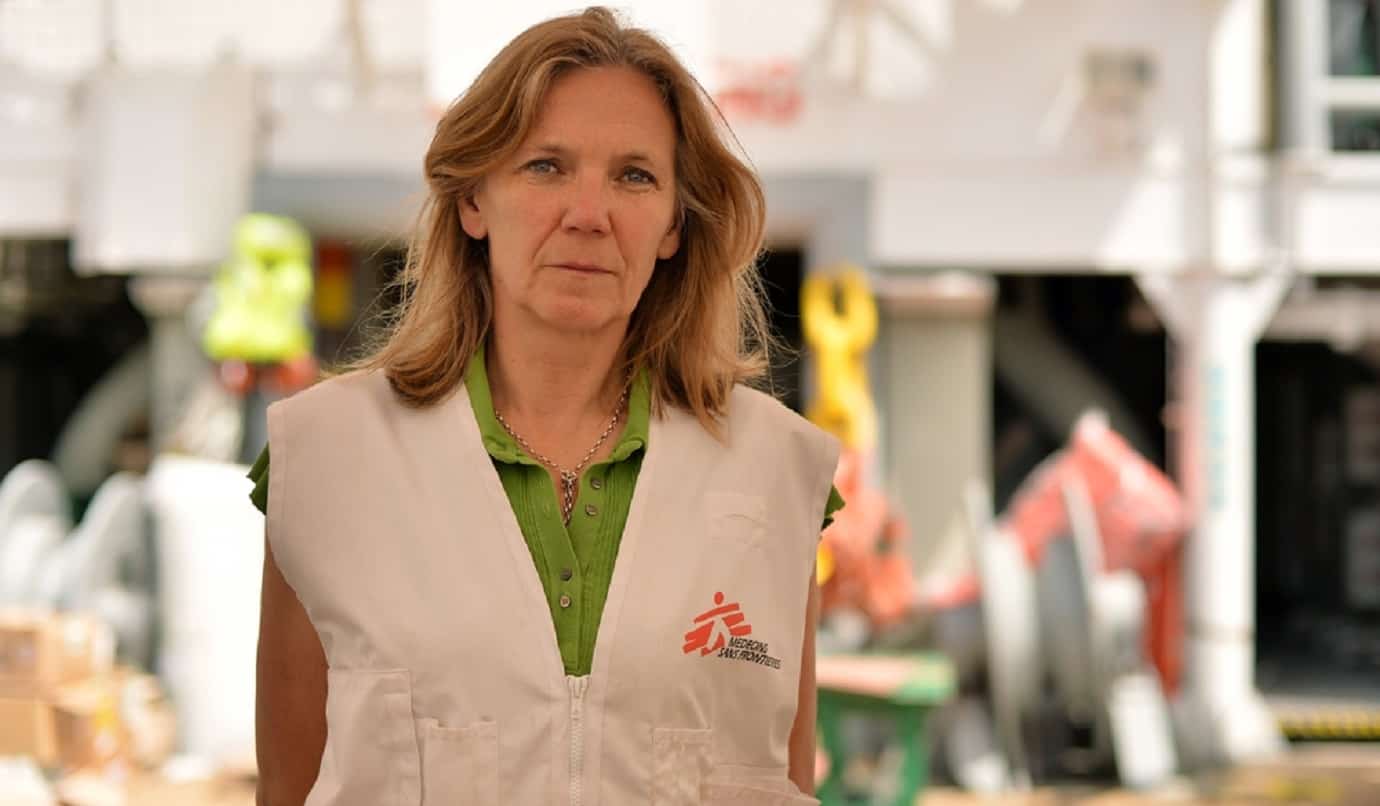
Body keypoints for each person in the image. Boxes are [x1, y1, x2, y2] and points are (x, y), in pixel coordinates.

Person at [250, 7, 844, 805]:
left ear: (674, 223)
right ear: (473, 201)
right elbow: (289, 788)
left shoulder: (779, 472)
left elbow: (784, 781)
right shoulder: (328, 459)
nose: (589, 214)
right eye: (545, 166)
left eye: (635, 176)